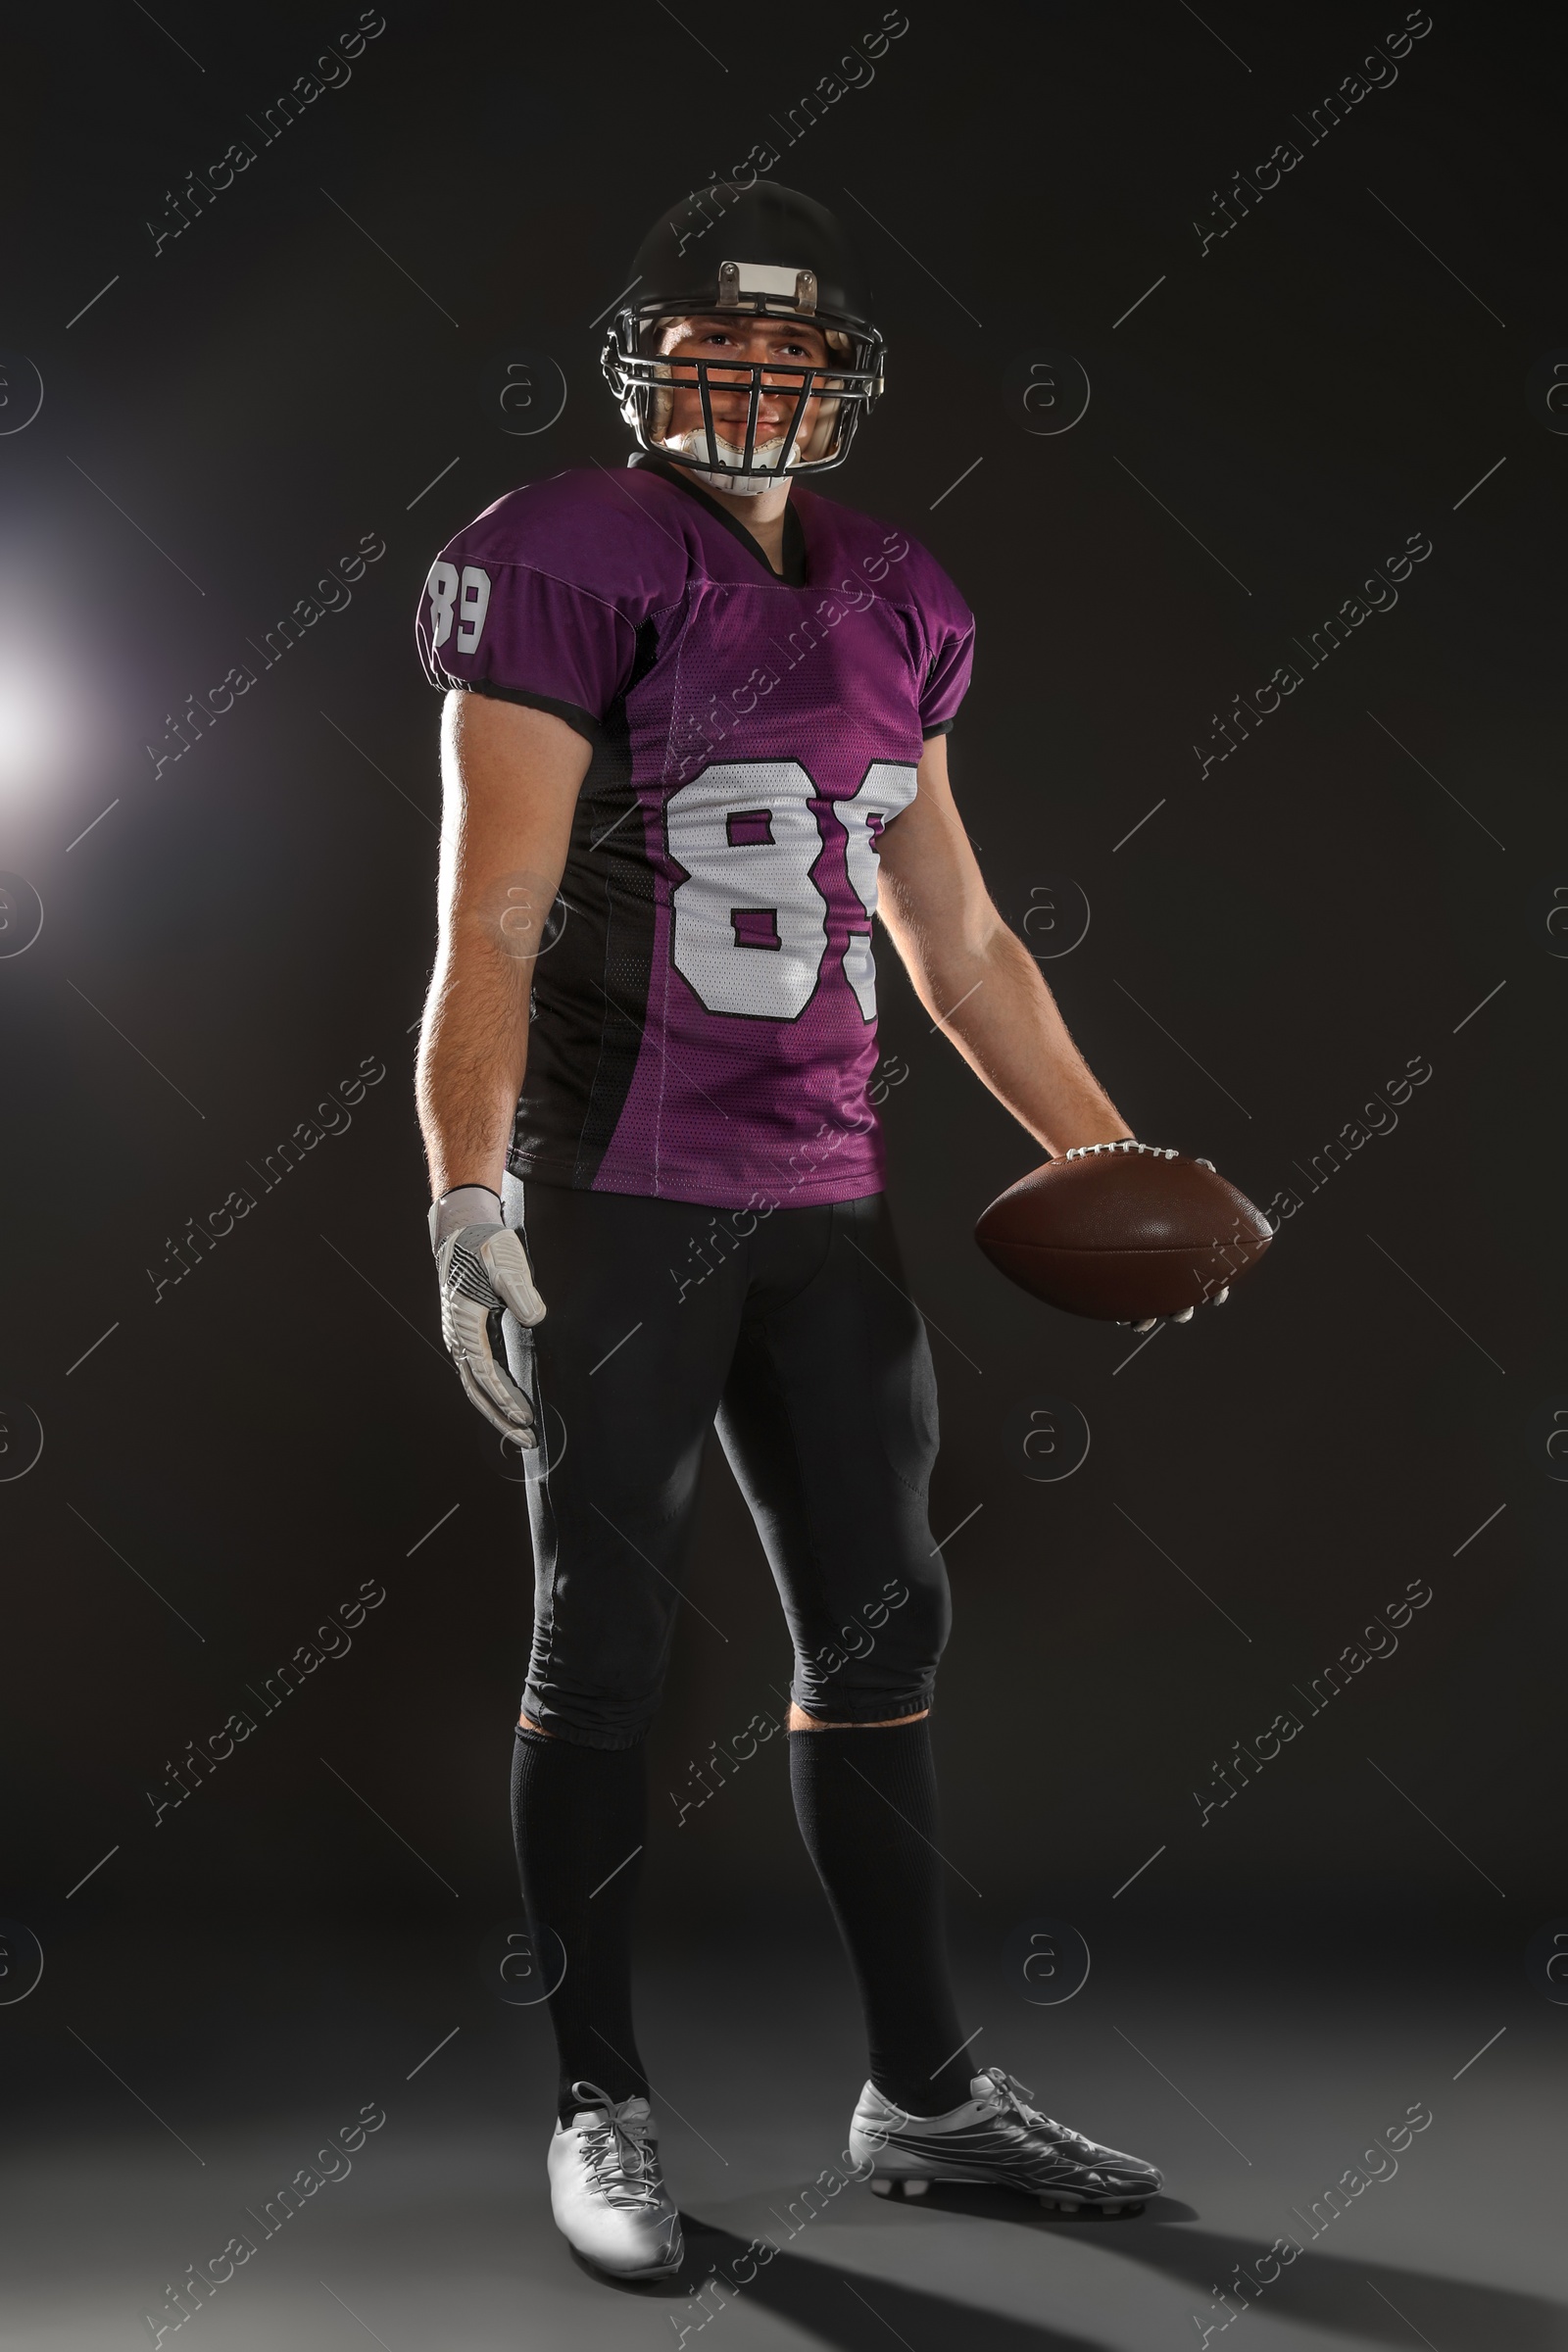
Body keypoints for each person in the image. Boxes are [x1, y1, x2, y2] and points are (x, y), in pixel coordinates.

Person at [415, 182, 1182, 2282]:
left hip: (822, 1190)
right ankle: (598, 2098)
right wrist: (463, 1187)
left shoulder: (900, 596)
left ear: (836, 382)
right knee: (607, 1642)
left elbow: (957, 934)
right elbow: (486, 907)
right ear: (644, 371)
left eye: (783, 354)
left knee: (880, 1629)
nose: (746, 384)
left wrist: (1099, 1153)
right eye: (708, 350)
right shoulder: (562, 558)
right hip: (620, 1180)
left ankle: (920, 2096)